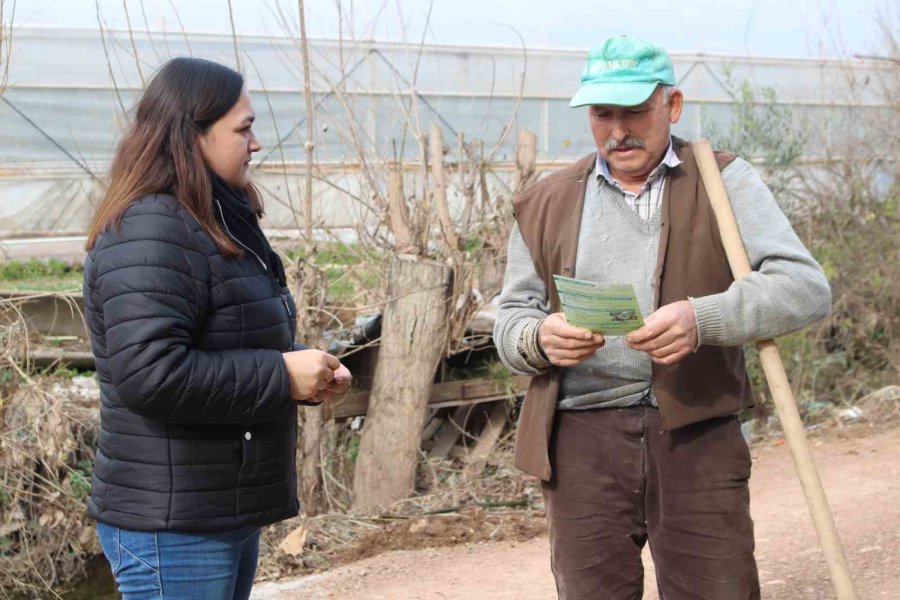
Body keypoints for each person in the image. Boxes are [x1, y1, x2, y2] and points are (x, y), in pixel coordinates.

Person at [494, 36, 831, 600]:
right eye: (604, 114)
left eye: (635, 112)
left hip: (696, 431)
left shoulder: (725, 182)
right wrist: (538, 337)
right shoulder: (545, 202)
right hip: (581, 442)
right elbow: (510, 319)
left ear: (671, 106)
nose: (618, 130)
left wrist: (705, 318)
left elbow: (805, 288)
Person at [83, 57, 350, 600]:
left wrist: (303, 367)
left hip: (214, 506)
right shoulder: (151, 228)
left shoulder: (211, 217)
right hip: (172, 522)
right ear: (191, 135)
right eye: (243, 129)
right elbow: (150, 375)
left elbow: (230, 336)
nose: (255, 144)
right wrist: (279, 375)